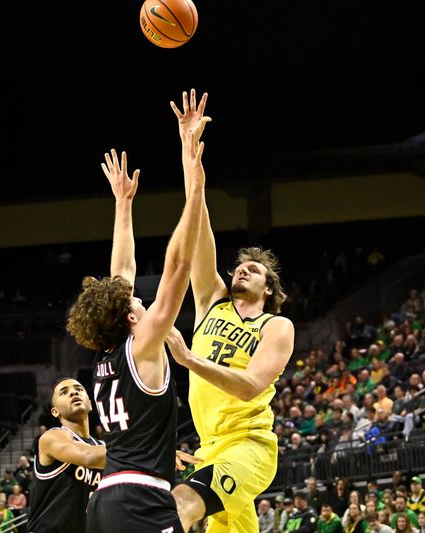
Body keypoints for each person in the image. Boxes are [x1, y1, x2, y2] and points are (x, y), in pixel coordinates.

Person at [67, 89, 208, 533]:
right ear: (131, 318)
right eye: (137, 304)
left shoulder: (109, 352)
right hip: (141, 500)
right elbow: (179, 266)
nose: (142, 302)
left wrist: (123, 205)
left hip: (106, 502)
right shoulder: (143, 346)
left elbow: (121, 272)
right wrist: (194, 178)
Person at [164, 90, 296, 533]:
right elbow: (197, 226)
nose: (242, 269)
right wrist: (190, 158)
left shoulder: (277, 325)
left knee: (180, 503)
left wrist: (187, 359)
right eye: (240, 266)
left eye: (253, 269)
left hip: (249, 446)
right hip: (209, 448)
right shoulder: (212, 301)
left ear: (269, 287)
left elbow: (250, 386)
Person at [28, 378, 106, 533]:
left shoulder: (102, 448)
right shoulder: (51, 438)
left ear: (90, 404)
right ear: (55, 411)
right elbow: (88, 456)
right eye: (64, 392)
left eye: (79, 389)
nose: (73, 392)